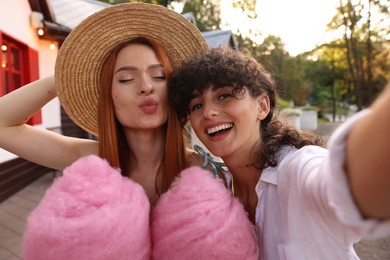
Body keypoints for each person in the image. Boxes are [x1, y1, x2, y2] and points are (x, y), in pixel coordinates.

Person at [168, 45, 390, 259]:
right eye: (196, 105)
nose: (208, 112)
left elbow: (346, 184)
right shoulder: (215, 192)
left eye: (224, 95)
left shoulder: (297, 168)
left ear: (262, 106)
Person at [0, 3, 208, 207]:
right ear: (108, 96)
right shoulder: (91, 159)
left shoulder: (203, 169)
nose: (146, 86)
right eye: (126, 78)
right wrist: (65, 75)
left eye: (159, 76)